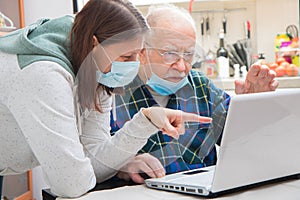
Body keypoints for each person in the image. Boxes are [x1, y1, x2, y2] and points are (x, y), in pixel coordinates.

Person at [0, 0, 212, 198]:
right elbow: (72, 184)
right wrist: (89, 169)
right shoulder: (44, 75)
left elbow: (95, 161)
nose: (134, 65)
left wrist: (146, 122)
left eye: (138, 54)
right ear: (95, 44)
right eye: (126, 57)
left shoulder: (98, 69)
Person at [110, 4, 279, 184]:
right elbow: (91, 157)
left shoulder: (201, 86)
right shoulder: (113, 92)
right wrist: (119, 164)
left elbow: (242, 141)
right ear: (142, 51)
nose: (182, 67)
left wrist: (252, 106)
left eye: (189, 55)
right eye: (170, 53)